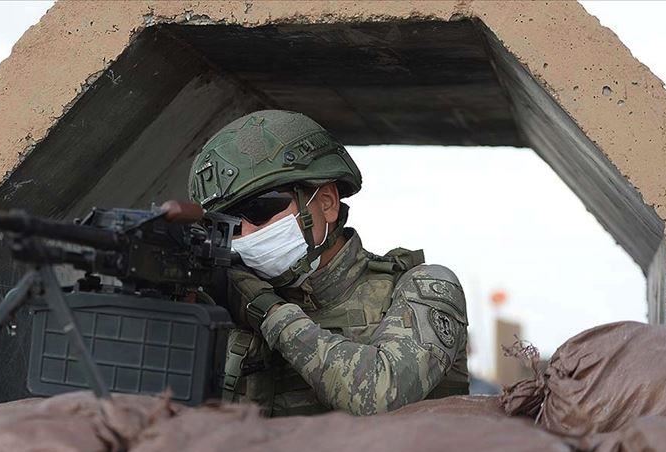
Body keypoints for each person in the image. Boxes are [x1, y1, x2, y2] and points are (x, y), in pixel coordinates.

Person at [189, 110, 469, 416]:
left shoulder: (423, 288)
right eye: (227, 223)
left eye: (260, 209)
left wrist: (269, 311)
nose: (245, 233)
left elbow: (380, 395)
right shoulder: (223, 305)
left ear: (326, 203)